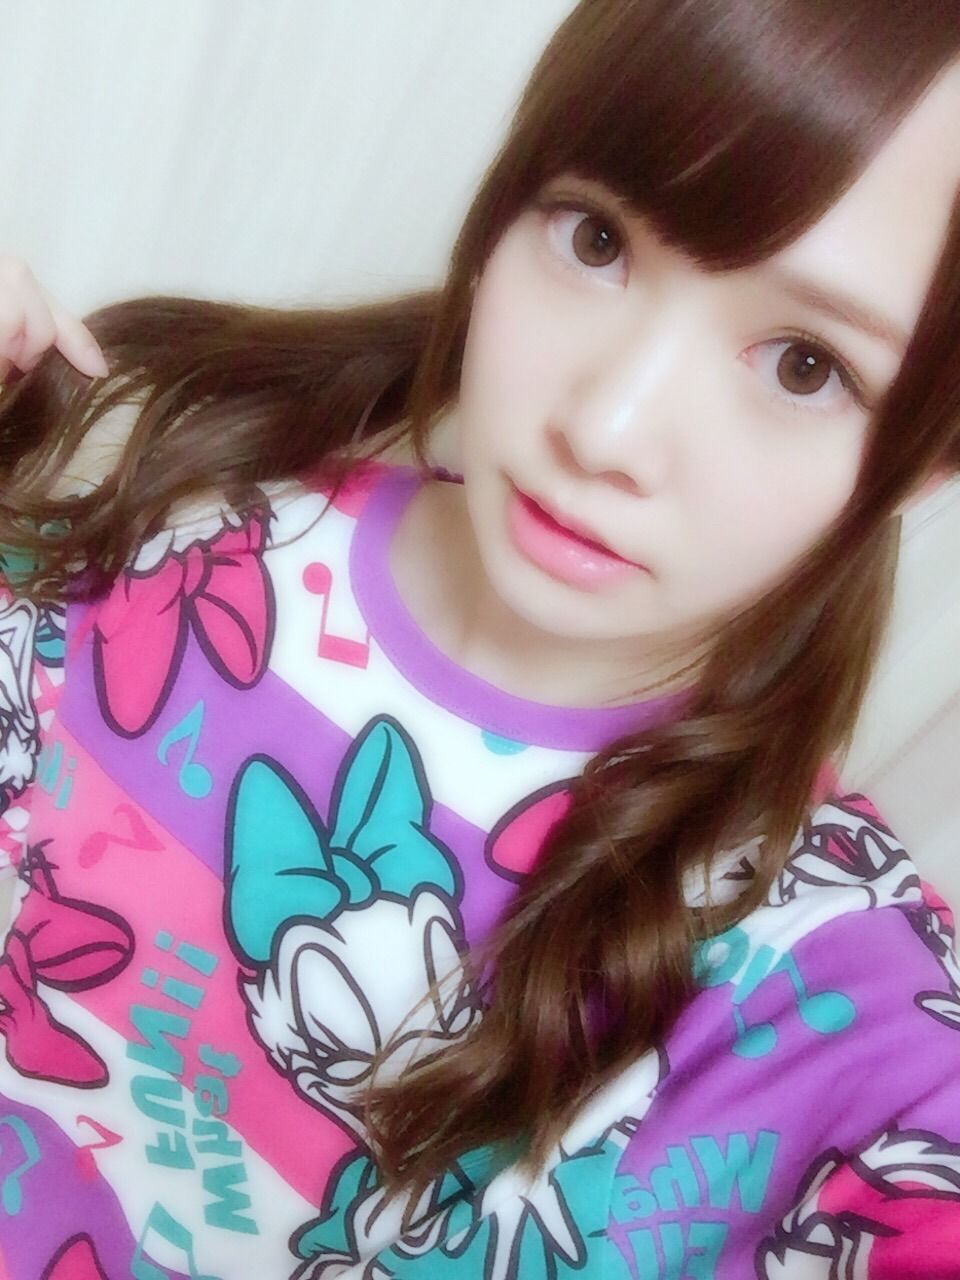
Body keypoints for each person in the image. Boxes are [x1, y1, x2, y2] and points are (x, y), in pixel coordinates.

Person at [1, 1, 960, 1275]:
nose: (606, 429)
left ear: (928, 457)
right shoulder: (188, 504)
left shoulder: (824, 984)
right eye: (597, 238)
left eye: (803, 365)